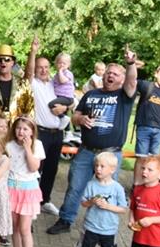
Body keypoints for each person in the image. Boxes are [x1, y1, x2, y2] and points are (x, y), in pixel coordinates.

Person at [47, 50, 138, 236]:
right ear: (103, 76)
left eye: (115, 74)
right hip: (86, 151)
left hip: (110, 153)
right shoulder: (91, 95)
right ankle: (65, 219)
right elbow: (76, 116)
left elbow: (132, 81)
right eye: (108, 73)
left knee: (106, 190)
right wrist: (80, 120)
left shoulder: (124, 95)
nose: (110, 76)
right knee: (75, 186)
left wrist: (130, 64)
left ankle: (101, 227)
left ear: (121, 79)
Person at [58, 152, 128, 247]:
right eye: (96, 166)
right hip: (91, 226)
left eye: (102, 166)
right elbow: (84, 203)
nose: (98, 169)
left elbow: (123, 208)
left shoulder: (117, 188)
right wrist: (92, 202)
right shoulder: (91, 184)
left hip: (109, 229)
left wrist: (108, 206)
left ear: (112, 169)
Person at [24, 36, 69, 217]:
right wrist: (33, 51)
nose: (43, 70)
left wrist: (66, 107)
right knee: (36, 168)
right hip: (40, 133)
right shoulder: (33, 84)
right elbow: (28, 73)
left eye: (45, 67)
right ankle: (31, 203)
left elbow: (69, 97)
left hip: (57, 133)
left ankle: (45, 200)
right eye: (39, 67)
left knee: (51, 169)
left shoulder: (54, 83)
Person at [0, 116, 44, 247]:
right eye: (18, 128)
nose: (21, 132)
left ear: (32, 131)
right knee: (15, 227)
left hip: (28, 190)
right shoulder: (9, 146)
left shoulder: (36, 145)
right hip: (11, 189)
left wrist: (27, 149)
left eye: (25, 129)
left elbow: (33, 167)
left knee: (25, 228)